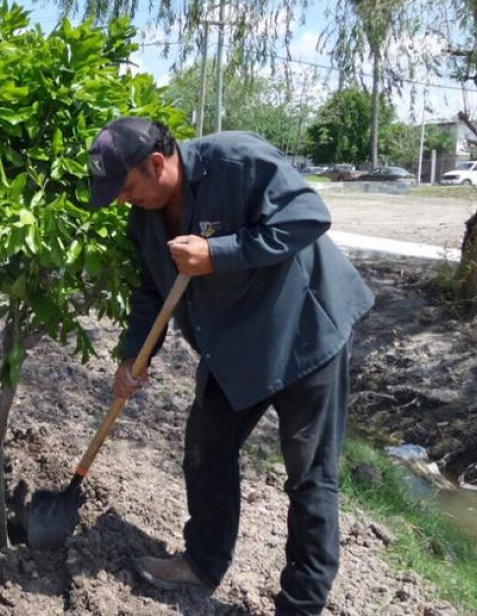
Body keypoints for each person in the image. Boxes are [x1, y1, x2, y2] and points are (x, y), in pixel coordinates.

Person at [87, 117, 374, 616]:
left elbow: (308, 218)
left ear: (158, 163)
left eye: (126, 187)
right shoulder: (146, 217)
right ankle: (202, 563)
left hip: (304, 330)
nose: (122, 200)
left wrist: (218, 254)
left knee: (309, 476)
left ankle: (300, 605)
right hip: (235, 343)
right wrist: (135, 353)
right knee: (206, 446)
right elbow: (153, 289)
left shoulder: (237, 160)